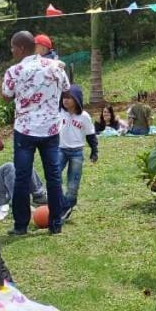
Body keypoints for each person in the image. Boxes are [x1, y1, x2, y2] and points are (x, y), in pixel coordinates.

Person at [2, 30, 69, 235]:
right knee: (54, 176)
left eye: (13, 47)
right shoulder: (55, 66)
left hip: (25, 131)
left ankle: (20, 226)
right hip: (50, 130)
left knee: (22, 177)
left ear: (21, 48)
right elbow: (66, 89)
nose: (12, 51)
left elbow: (6, 96)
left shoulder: (14, 71)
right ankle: (56, 224)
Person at [56, 90, 98, 225]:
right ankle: (60, 203)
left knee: (73, 184)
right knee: (53, 176)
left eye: (69, 98)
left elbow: (90, 135)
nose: (65, 100)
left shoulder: (84, 116)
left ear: (77, 100)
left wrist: (94, 150)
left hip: (76, 153)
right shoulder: (58, 113)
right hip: (60, 150)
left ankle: (67, 207)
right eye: (64, 98)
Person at [36, 33, 83, 105]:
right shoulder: (54, 61)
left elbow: (66, 88)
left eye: (35, 46)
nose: (33, 49)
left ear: (43, 48)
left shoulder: (53, 63)